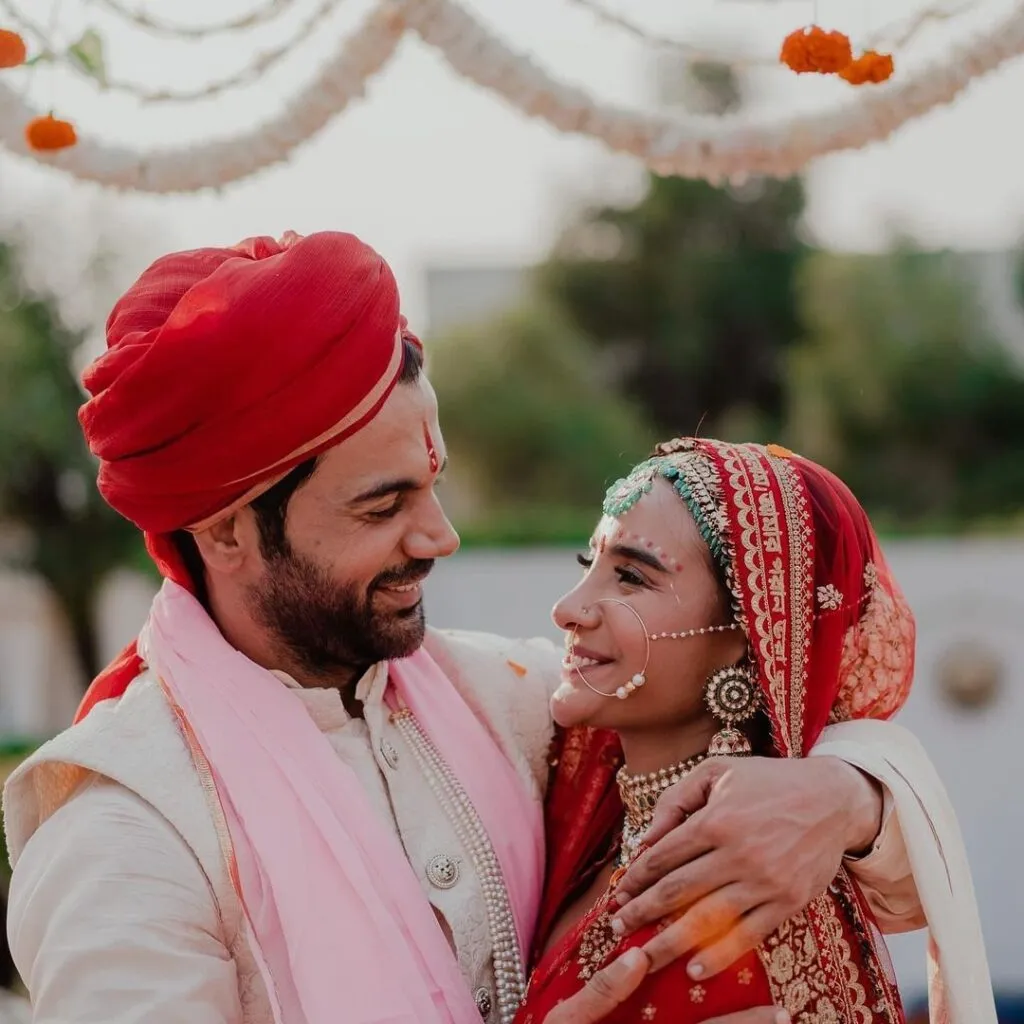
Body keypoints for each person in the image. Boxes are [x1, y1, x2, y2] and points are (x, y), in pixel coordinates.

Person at [1, 232, 930, 1024]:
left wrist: (845, 801)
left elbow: (855, 814)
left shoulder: (504, 705)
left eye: (434, 480)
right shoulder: (126, 832)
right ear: (225, 530)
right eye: (383, 506)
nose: (440, 535)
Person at [516, 438, 995, 1024]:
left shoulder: (755, 899)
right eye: (587, 566)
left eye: (632, 578)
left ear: (752, 634)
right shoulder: (592, 809)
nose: (567, 607)